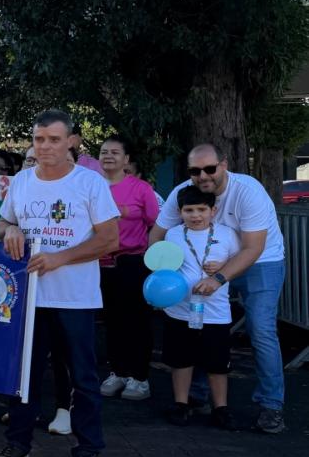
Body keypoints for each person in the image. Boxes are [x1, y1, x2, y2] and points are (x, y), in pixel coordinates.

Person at [0, 110, 119, 457]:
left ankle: (89, 451)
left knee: (83, 378)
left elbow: (110, 239)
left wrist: (61, 258)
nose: (45, 147)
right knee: (24, 375)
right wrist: (10, 229)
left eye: (54, 140)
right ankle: (18, 443)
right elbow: (2, 222)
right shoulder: (22, 181)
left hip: (75, 299)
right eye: (39, 139)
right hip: (29, 297)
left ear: (71, 142)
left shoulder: (90, 183)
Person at [150, 143, 287, 434]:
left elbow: (253, 248)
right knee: (196, 322)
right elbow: (157, 237)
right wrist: (163, 275)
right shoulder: (184, 192)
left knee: (260, 328)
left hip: (260, 260)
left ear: (224, 165)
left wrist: (219, 278)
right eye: (195, 170)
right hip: (206, 264)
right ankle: (197, 394)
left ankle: (271, 404)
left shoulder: (247, 191)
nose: (202, 176)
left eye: (210, 168)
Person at [161, 186, 240, 429]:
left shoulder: (227, 235)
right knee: (181, 360)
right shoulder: (173, 235)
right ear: (180, 212)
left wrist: (223, 266)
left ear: (213, 210)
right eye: (189, 210)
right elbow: (166, 266)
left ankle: (221, 408)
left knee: (217, 363)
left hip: (216, 312)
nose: (195, 215)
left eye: (201, 209)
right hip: (180, 310)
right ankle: (181, 404)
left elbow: (238, 263)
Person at [96, 135, 160, 402]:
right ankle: (118, 372)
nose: (108, 156)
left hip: (133, 262)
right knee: (112, 321)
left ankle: (140, 377)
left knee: (137, 321)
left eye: (114, 152)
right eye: (104, 152)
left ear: (126, 159)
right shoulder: (91, 186)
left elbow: (156, 224)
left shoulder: (141, 188)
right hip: (99, 263)